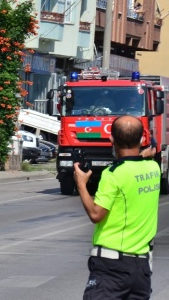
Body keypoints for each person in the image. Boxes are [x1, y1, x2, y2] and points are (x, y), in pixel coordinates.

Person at [73, 116, 158, 299]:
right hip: (141, 268)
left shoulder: (112, 174)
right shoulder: (153, 169)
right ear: (142, 139)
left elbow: (96, 214)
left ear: (112, 140)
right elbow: (139, 160)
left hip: (112, 268)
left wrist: (81, 184)